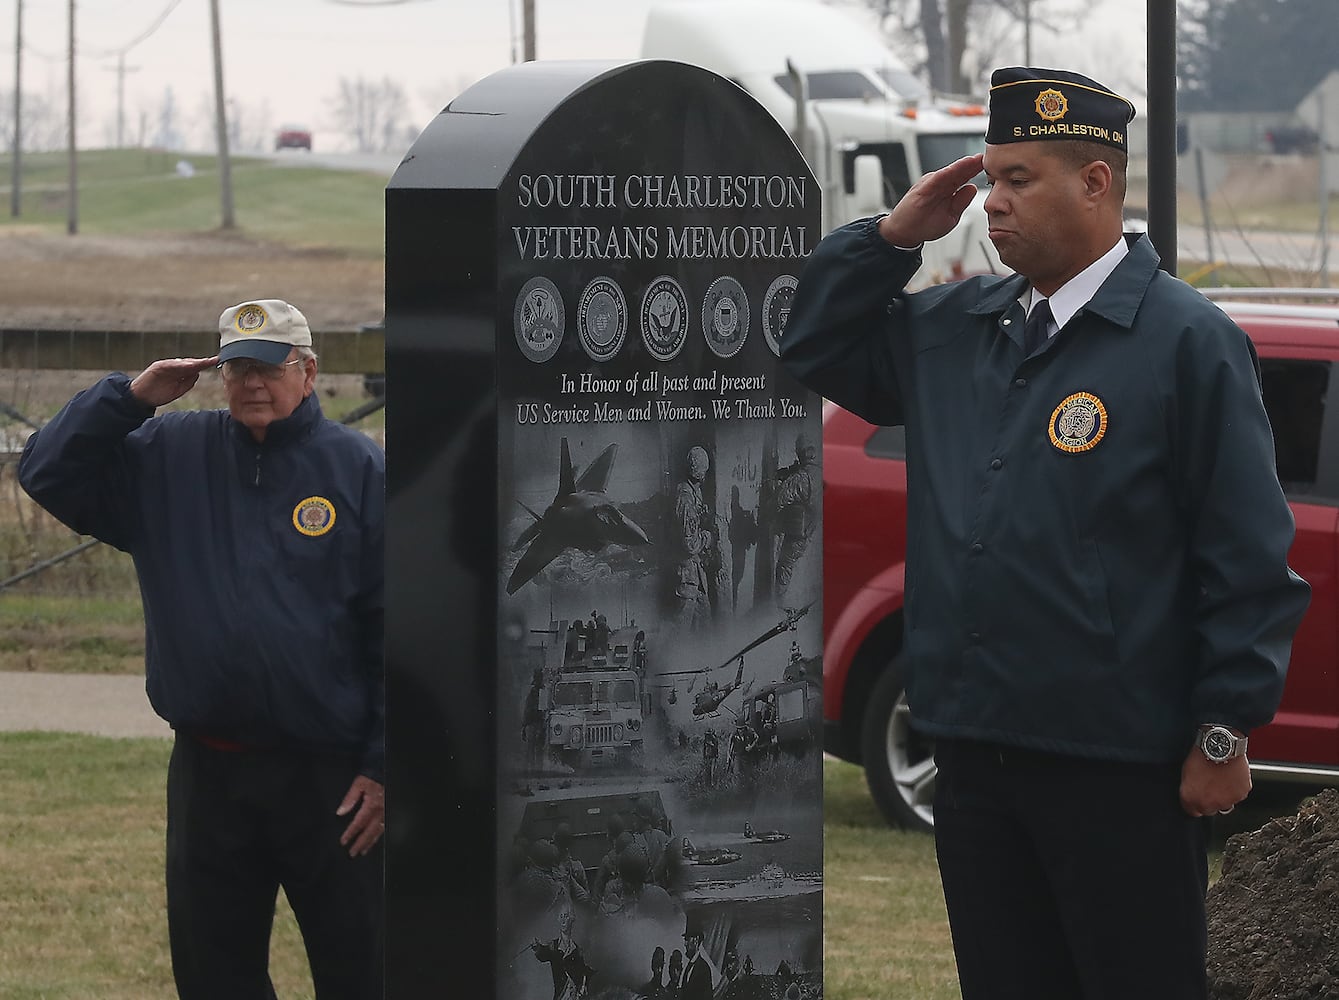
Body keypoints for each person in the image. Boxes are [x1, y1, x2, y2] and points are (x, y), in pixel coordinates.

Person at [780, 67, 1311, 1000]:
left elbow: (1245, 554)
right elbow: (811, 344)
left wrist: (1223, 727)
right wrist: (890, 237)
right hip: (974, 750)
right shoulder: (952, 329)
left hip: (1118, 766)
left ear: (1095, 183)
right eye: (987, 180)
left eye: (1017, 179)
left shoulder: (1184, 341)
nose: (991, 204)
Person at [18, 298, 385, 999]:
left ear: (308, 373)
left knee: (358, 966)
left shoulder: (358, 470)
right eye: (238, 367)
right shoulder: (167, 457)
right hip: (210, 775)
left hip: (331, 781)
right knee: (215, 974)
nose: (253, 382)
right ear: (216, 374)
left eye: (271, 367)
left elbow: (395, 625)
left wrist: (382, 762)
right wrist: (128, 399)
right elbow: (45, 472)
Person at [671, 446, 716, 629]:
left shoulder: (692, 492)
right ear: (701, 473)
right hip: (687, 576)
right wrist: (707, 537)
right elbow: (690, 544)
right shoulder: (686, 499)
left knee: (705, 626)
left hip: (695, 574)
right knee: (682, 629)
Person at [771, 431, 818, 600]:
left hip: (803, 532)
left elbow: (779, 500)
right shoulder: (819, 471)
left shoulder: (800, 478)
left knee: (785, 565)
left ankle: (780, 607)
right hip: (815, 529)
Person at [677, 914, 715, 1000]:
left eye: (687, 939)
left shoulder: (704, 969)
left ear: (696, 940)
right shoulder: (688, 967)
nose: (685, 944)